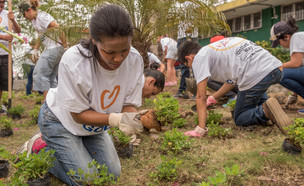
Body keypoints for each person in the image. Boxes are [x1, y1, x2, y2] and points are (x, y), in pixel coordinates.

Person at [23, 4, 153, 185]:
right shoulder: (74, 61)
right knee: (88, 180)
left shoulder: (134, 59)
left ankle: (74, 150)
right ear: (94, 40)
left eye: (124, 50)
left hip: (94, 126)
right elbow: (77, 115)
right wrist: (117, 120)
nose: (118, 58)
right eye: (110, 52)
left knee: (111, 174)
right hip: (60, 121)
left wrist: (133, 118)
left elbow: (127, 103)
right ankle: (39, 148)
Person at [178, 38, 292, 137]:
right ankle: (267, 112)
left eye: (187, 65)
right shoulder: (216, 49)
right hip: (275, 68)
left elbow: (200, 96)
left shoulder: (199, 57)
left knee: (240, 117)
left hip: (256, 74)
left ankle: (265, 111)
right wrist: (213, 98)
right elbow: (232, 81)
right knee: (257, 94)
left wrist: (200, 129)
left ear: (189, 58)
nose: (190, 68)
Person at [19, 0, 68, 102]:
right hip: (52, 48)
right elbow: (42, 35)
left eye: (24, 15)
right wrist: (36, 49)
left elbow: (58, 28)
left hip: (54, 48)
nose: (25, 18)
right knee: (51, 76)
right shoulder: (35, 20)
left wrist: (65, 46)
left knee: (40, 73)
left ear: (29, 10)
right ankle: (56, 101)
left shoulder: (42, 16)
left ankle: (46, 101)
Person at [270, 16, 304, 115]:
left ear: (286, 36)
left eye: (279, 42)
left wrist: (274, 67)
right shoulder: (300, 37)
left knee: (279, 73)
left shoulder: (296, 38)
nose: (281, 45)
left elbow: (295, 63)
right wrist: (294, 94)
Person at [0, 0, 21, 113]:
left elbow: (18, 31)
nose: (1, 7)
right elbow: (4, 36)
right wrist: (3, 37)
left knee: (4, 82)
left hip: (6, 54)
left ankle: (4, 106)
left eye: (2, 5)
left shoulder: (8, 14)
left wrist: (13, 20)